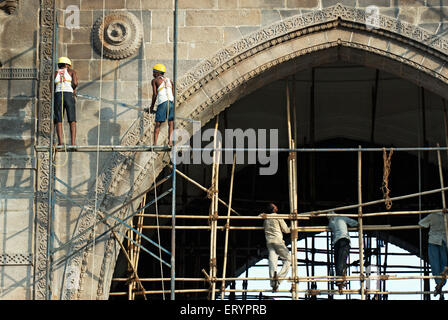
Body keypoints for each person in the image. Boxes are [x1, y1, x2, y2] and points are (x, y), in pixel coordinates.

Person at [260, 203, 291, 292]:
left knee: (272, 262)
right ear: (273, 209)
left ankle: (273, 283)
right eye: (275, 206)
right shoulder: (278, 216)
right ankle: (279, 279)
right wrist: (293, 227)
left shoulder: (265, 218)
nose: (277, 207)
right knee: (288, 259)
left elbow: (260, 217)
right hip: (278, 241)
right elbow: (286, 230)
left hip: (269, 242)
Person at [418, 211, 448, 298]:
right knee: (444, 261)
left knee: (435, 262)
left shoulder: (432, 216)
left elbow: (421, 223)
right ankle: (442, 281)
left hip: (433, 240)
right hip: (444, 240)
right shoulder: (446, 216)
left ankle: (439, 282)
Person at [327, 213, 359, 290]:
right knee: (341, 261)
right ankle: (340, 280)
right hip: (344, 240)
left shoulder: (331, 223)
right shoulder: (341, 218)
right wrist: (358, 223)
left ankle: (339, 279)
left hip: (336, 243)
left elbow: (329, 227)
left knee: (338, 262)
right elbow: (354, 223)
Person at [146, 63, 174, 146]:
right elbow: (173, 94)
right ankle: (170, 142)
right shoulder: (170, 81)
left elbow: (155, 94)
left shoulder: (155, 80)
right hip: (171, 102)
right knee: (171, 123)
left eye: (154, 72)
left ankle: (154, 143)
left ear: (158, 73)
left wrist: (151, 107)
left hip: (162, 103)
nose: (153, 74)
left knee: (158, 124)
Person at [53, 56, 78, 147]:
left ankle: (60, 142)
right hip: (68, 95)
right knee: (72, 119)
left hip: (58, 95)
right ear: (67, 64)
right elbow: (75, 83)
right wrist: (73, 90)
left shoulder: (55, 73)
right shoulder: (71, 72)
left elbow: (51, 86)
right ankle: (73, 143)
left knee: (58, 120)